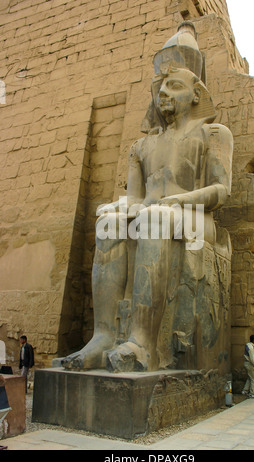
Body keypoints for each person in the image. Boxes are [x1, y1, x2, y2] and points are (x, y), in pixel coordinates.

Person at [61, 21, 233, 372]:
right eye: (159, 88)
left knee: (153, 218)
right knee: (109, 225)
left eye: (173, 85)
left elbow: (220, 191)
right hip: (158, 213)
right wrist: (118, 206)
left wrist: (177, 202)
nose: (163, 94)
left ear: (196, 93)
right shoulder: (142, 145)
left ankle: (141, 342)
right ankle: (105, 335)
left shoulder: (213, 133)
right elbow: (137, 198)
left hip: (199, 220)